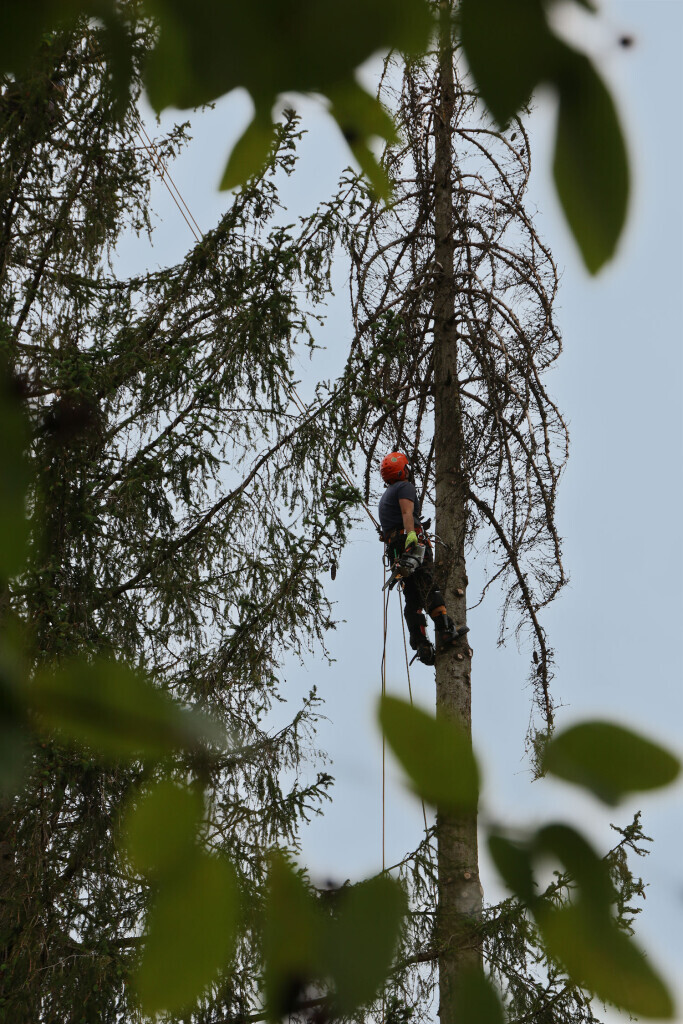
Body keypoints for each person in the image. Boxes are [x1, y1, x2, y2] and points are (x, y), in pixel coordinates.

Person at [378, 451, 468, 666]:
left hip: (395, 550)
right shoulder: (405, 487)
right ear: (402, 470)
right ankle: (445, 629)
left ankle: (422, 645)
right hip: (409, 544)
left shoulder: (386, 496)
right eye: (406, 468)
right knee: (428, 584)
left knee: (412, 597)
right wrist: (412, 536)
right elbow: (407, 513)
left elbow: (394, 523)